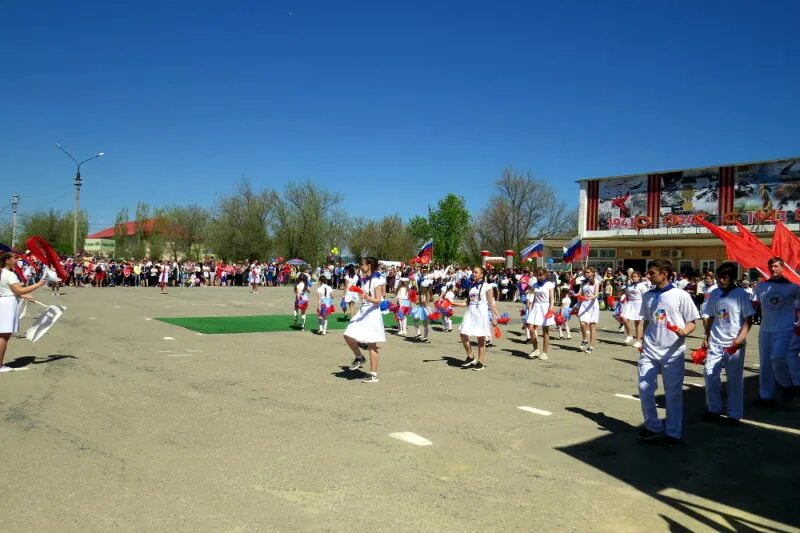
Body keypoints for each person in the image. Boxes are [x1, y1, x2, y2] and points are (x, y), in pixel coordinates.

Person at [638, 259, 700, 445]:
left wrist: (684, 331)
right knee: (644, 389)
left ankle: (673, 432)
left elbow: (692, 322)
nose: (648, 276)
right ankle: (653, 426)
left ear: (664, 274)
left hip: (672, 351)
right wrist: (641, 341)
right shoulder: (648, 295)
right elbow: (647, 321)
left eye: (652, 273)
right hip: (650, 349)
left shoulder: (680, 295)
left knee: (673, 393)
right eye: (648, 273)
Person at [701, 262, 754, 424]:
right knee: (710, 374)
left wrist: (739, 340)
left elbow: (748, 319)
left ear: (731, 278)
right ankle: (714, 408)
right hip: (716, 341)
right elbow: (710, 316)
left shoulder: (741, 294)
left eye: (725, 277)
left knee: (734, 379)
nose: (721, 280)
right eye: (719, 277)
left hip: (733, 343)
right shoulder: (715, 293)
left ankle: (734, 414)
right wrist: (706, 335)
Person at [754, 257, 800, 406]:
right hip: (765, 329)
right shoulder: (761, 287)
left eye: (775, 266)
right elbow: (755, 305)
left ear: (782, 268)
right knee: (765, 363)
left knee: (777, 357)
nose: (773, 269)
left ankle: (787, 384)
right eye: (771, 267)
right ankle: (766, 395)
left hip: (785, 329)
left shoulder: (793, 287)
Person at [0, 252, 47, 373]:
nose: (16, 260)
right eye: (14, 258)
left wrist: (24, 296)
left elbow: (9, 290)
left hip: (4, 302)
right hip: (7, 305)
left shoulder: (2, 273)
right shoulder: (9, 274)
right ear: (7, 261)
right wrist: (38, 284)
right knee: (4, 336)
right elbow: (18, 290)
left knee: (2, 335)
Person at [344, 257, 386, 383]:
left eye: (362, 265)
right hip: (363, 311)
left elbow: (378, 300)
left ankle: (373, 374)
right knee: (347, 334)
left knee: (372, 344)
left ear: (369, 265)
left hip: (372, 313)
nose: (360, 267)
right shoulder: (365, 280)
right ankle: (359, 357)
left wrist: (366, 297)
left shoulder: (376, 280)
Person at [452, 266, 500, 371]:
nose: (473, 274)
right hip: (470, 313)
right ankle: (470, 357)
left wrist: (494, 318)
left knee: (480, 338)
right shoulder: (472, 286)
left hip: (481, 313)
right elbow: (467, 302)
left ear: (482, 275)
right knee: (463, 333)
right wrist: (454, 303)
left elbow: (491, 304)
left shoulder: (487, 286)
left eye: (476, 272)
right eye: (473, 272)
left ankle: (480, 362)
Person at [526, 268, 556, 360]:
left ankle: (545, 352)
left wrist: (551, 308)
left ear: (545, 275)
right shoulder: (535, 284)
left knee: (545, 331)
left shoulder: (549, 284)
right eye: (537, 275)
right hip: (536, 307)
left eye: (541, 275)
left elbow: (552, 298)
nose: (539, 277)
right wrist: (528, 302)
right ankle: (535, 349)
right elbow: (531, 295)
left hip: (545, 307)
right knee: (530, 327)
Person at [577, 266, 602, 353]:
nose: (586, 274)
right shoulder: (583, 283)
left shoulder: (596, 282)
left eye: (588, 272)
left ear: (592, 273)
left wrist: (589, 298)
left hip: (593, 305)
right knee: (582, 323)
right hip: (584, 305)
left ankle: (591, 346)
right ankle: (585, 340)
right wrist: (576, 295)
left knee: (592, 326)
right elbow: (580, 293)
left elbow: (596, 294)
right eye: (585, 272)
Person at [621, 271, 649, 349]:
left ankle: (638, 341)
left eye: (635, 276)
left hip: (639, 304)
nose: (633, 278)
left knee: (637, 323)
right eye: (632, 276)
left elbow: (646, 296)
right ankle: (629, 335)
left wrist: (646, 306)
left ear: (639, 277)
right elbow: (626, 294)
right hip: (630, 304)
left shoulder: (642, 286)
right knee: (624, 319)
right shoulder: (629, 286)